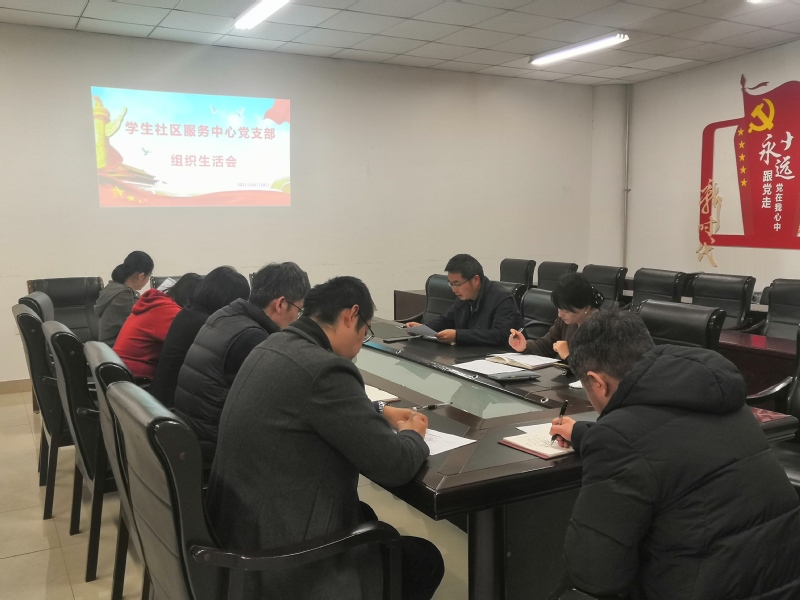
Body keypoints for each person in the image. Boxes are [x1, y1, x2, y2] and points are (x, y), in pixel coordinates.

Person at [206, 276, 444, 600]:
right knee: (425, 560)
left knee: (366, 515)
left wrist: (377, 411)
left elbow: (309, 408)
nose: (361, 342)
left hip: (238, 536)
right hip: (284, 564)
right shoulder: (326, 369)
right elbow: (395, 465)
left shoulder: (271, 345)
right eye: (365, 331)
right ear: (351, 315)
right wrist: (413, 434)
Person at [548, 309, 800, 600]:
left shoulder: (619, 440)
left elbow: (594, 573)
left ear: (597, 383)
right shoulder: (720, 397)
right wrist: (585, 434)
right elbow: (670, 443)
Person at [173, 262, 310, 457]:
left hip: (191, 435)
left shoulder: (225, 315)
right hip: (214, 449)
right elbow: (279, 401)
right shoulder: (253, 338)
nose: (298, 318)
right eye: (299, 309)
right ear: (280, 304)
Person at [150, 266, 250, 408]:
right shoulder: (208, 324)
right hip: (175, 406)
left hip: (162, 398)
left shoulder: (188, 313)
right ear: (230, 299)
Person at [406, 253, 522, 346]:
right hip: (468, 353)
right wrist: (423, 328)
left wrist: (458, 335)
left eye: (457, 284)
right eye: (451, 284)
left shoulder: (502, 299)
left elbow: (500, 335)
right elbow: (447, 320)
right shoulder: (464, 297)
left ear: (475, 280)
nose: (453, 289)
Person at [113, 273, 202, 380]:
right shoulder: (168, 311)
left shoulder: (157, 303)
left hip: (122, 369)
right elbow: (193, 345)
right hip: (137, 376)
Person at [508, 272, 603, 360]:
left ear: (586, 307)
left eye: (566, 311)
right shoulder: (564, 321)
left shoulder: (603, 327)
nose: (560, 314)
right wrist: (525, 346)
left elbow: (594, 367)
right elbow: (545, 345)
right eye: (559, 308)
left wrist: (567, 356)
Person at [95, 250, 154, 346]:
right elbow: (145, 324)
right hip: (117, 349)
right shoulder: (125, 296)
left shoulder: (113, 288)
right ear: (141, 276)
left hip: (108, 348)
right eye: (149, 276)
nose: (148, 280)